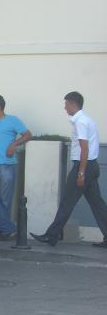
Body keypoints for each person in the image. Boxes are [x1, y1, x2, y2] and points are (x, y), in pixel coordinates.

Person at [31, 92, 107, 248]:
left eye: (66, 104)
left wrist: (80, 173)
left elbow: (84, 149)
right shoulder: (86, 120)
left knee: (67, 202)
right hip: (91, 166)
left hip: (83, 166)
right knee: (97, 204)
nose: (64, 107)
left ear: (73, 103)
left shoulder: (80, 122)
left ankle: (51, 236)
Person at [0, 95, 32, 240]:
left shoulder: (13, 120)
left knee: (4, 200)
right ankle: (9, 228)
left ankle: (1, 231)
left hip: (6, 165)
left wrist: (14, 144)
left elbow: (28, 135)